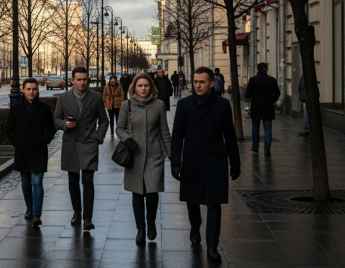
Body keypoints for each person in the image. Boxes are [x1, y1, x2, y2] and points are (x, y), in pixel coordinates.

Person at [171, 67, 241, 263]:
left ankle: (212, 245)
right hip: (192, 160)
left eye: (202, 82)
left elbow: (230, 136)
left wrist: (234, 162)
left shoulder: (223, 105)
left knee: (214, 203)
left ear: (212, 83)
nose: (198, 85)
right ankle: (195, 226)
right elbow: (177, 136)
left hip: (215, 160)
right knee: (192, 200)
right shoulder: (184, 105)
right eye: (195, 82)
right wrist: (175, 162)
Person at [117, 73, 172, 245]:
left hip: (155, 155)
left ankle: (151, 223)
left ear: (151, 87)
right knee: (137, 194)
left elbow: (164, 132)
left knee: (152, 193)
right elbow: (120, 128)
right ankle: (140, 229)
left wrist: (174, 157)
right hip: (135, 155)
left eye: (146, 86)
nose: (143, 89)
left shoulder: (159, 105)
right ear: (134, 88)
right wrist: (127, 139)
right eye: (139, 86)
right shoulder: (127, 105)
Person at [53, 66, 109, 231]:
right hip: (71, 142)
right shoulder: (64, 98)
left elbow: (104, 120)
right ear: (72, 80)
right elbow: (56, 119)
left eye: (85, 79)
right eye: (79, 79)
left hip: (89, 143)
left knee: (88, 181)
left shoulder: (96, 97)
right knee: (72, 181)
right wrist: (65, 125)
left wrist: (98, 137)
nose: (82, 82)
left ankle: (87, 218)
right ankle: (77, 213)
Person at [5, 77, 56, 227]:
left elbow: (51, 128)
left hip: (39, 150)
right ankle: (29, 207)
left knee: (37, 182)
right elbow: (8, 128)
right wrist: (17, 141)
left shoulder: (44, 108)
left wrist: (44, 140)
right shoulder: (15, 108)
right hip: (22, 150)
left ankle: (36, 214)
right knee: (26, 183)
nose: (31, 92)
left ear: (37, 90)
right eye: (28, 89)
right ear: (23, 90)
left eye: (34, 89)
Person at [245, 62, 280, 156]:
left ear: (257, 69)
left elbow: (247, 94)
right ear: (267, 69)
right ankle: (267, 150)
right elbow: (277, 94)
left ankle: (255, 147)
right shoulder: (272, 80)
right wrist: (271, 100)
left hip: (256, 107)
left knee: (255, 128)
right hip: (268, 107)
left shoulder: (253, 80)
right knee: (267, 129)